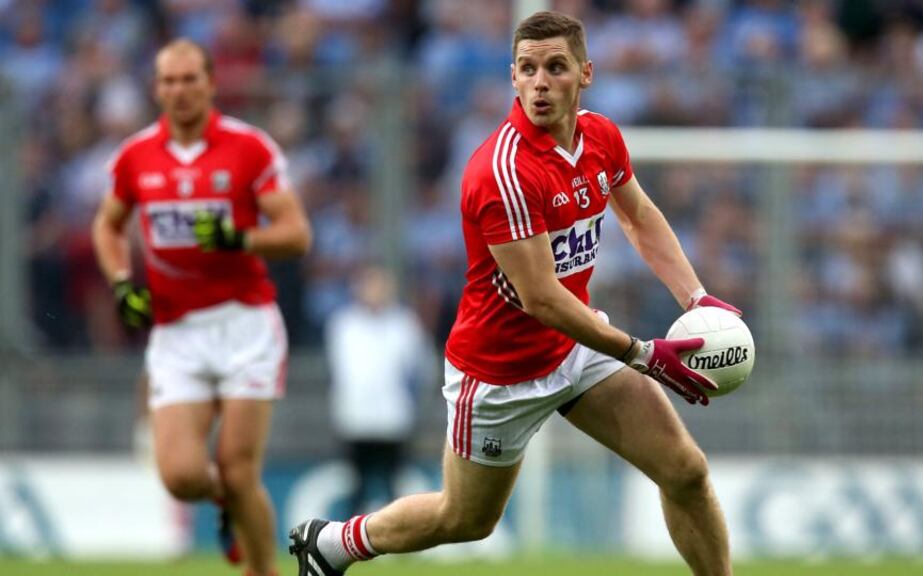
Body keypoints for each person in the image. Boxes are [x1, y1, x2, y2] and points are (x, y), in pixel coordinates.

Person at [288, 11, 737, 575]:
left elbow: (640, 216)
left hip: (576, 346)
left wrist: (696, 298)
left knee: (685, 470)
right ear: (513, 76)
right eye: (527, 69)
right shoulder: (503, 171)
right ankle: (334, 543)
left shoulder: (600, 137)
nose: (540, 82)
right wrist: (644, 354)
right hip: (500, 374)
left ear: (587, 73)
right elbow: (541, 298)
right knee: (466, 519)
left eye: (555, 67)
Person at [92, 38, 312, 576]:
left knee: (239, 470)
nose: (180, 90)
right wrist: (122, 283)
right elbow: (107, 225)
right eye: (169, 81)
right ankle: (223, 506)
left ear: (211, 83)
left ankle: (264, 570)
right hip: (176, 330)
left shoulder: (249, 148)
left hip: (245, 324)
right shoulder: (136, 155)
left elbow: (296, 233)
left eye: (190, 79)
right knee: (182, 476)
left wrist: (240, 238)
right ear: (156, 89)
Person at [324, 264, 433, 516]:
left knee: (394, 483)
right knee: (357, 485)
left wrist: (413, 403)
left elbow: (421, 368)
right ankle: (351, 542)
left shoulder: (404, 323)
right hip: (354, 417)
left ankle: (398, 539)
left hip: (393, 417)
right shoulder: (343, 324)